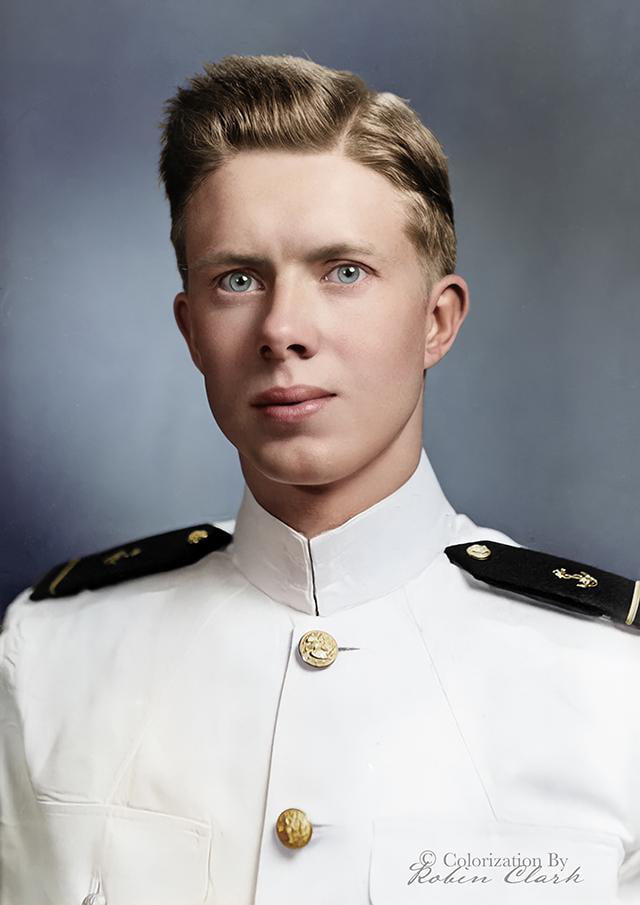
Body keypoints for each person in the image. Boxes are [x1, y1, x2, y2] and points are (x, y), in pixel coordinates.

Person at [0, 53, 638, 905]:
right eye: (238, 278)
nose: (283, 329)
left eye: (344, 271)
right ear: (191, 331)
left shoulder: (612, 685)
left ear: (436, 321)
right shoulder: (48, 660)